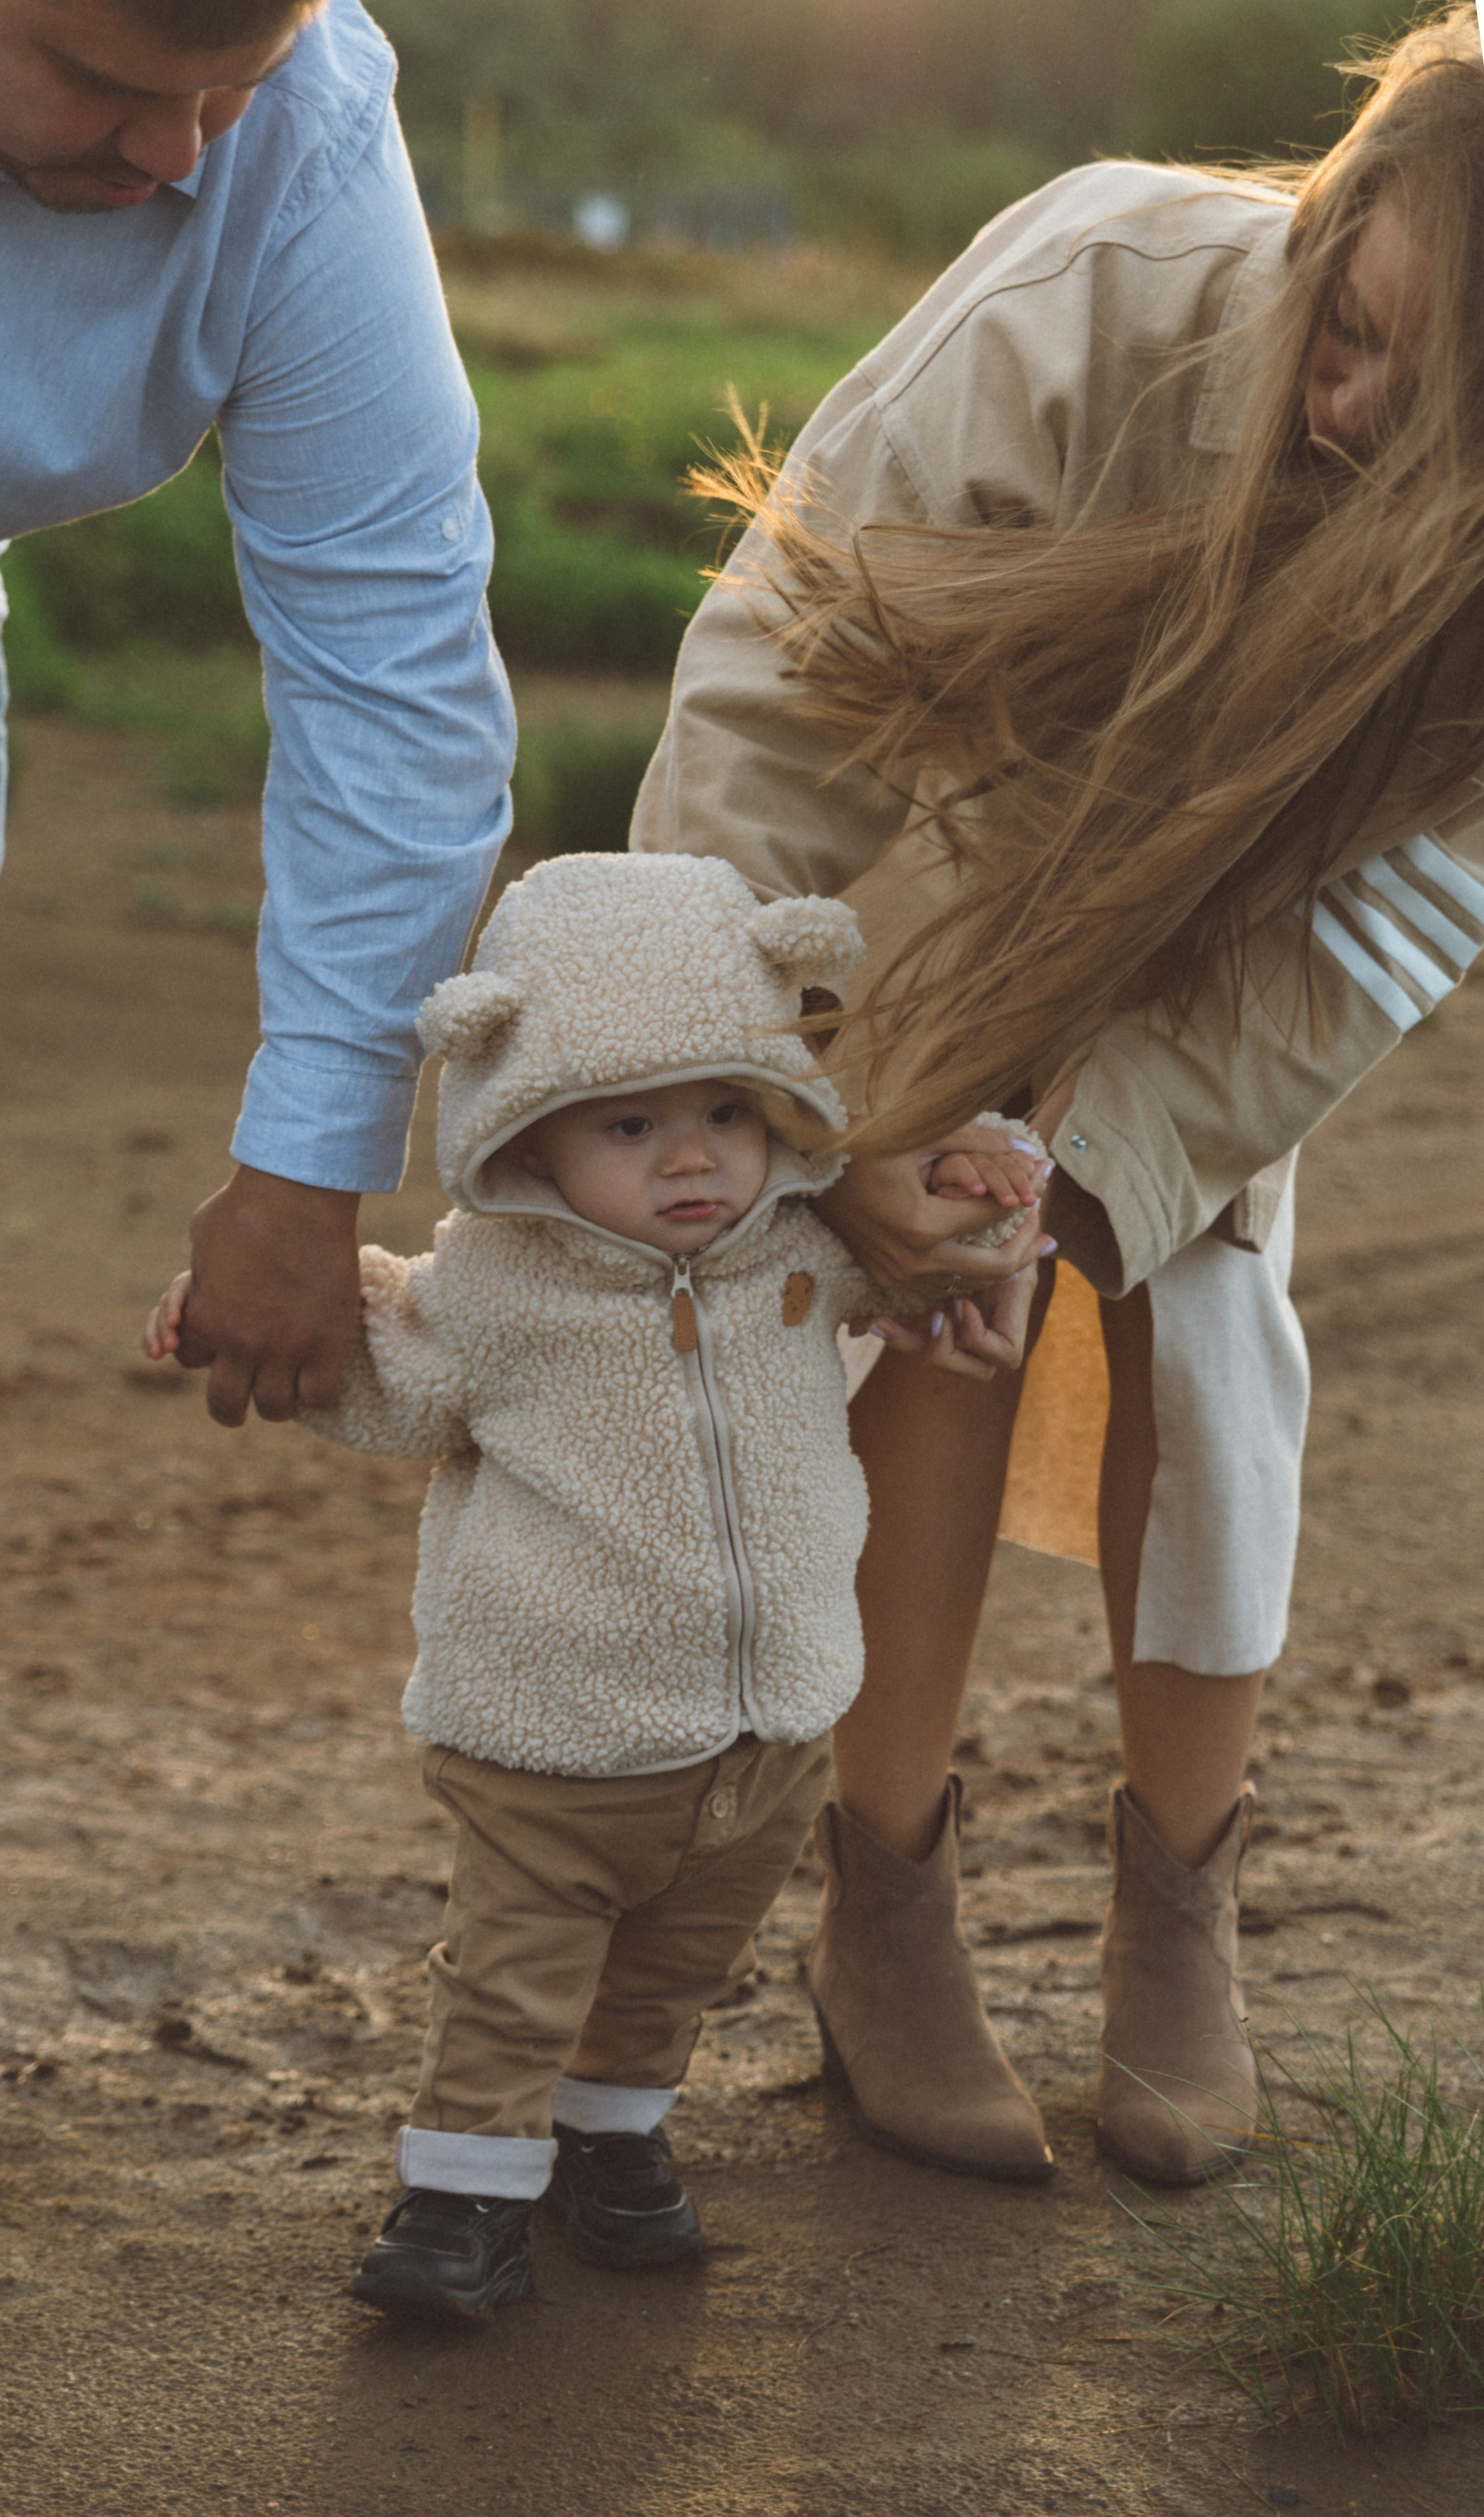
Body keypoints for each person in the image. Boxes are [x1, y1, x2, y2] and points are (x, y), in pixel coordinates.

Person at [632, 7, 1484, 2185]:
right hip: (936, 872)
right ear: (1347, 192)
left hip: (1242, 955)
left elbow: (1390, 927)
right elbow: (775, 695)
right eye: (1353, 319)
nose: (1349, 405)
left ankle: (1178, 1896)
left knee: (1201, 1348)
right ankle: (884, 1893)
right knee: (938, 1316)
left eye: (1429, 401)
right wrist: (784, 1103)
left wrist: (1081, 1186)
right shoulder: (1096, 283)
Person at [0, 0, 516, 2261]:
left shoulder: (294, 131)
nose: (183, 153)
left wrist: (311, 1166)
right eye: (116, 87)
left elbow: (392, 647)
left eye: (227, 83)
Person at [147, 849, 1048, 2316]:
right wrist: (228, 1318)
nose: (690, 1160)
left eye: (723, 1113)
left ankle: (606, 2143)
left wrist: (981, 1196)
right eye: (629, 1124)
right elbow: (383, 1383)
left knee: (671, 1974)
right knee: (512, 1983)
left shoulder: (805, 1251)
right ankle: (459, 2203)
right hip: (554, 1740)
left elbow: (939, 1253)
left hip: (767, 1736)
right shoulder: (493, 1288)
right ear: (526, 1132)